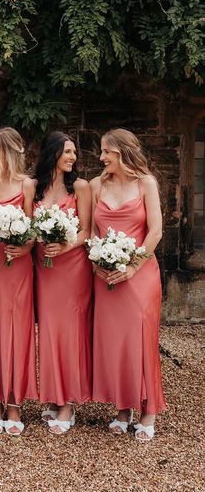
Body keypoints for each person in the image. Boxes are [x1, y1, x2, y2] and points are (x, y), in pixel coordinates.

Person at [90, 128, 166, 441]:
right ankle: (123, 408)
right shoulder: (96, 185)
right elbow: (91, 230)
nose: (101, 157)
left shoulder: (146, 183)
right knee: (116, 341)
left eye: (106, 151)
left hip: (140, 275)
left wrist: (133, 266)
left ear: (122, 152)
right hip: (105, 275)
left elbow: (156, 231)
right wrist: (98, 261)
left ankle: (148, 409)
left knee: (142, 339)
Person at [0, 127, 38, 435]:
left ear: (8, 153)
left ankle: (14, 402)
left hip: (16, 265)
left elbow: (32, 230)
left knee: (16, 330)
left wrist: (25, 245)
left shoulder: (26, 185)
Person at [33, 132, 92, 435]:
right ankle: (54, 396)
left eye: (74, 153)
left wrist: (65, 246)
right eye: (67, 152)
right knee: (50, 330)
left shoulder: (80, 187)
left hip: (72, 268)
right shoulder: (37, 187)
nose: (72, 157)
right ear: (52, 153)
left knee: (69, 332)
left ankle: (68, 403)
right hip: (45, 270)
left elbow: (87, 230)